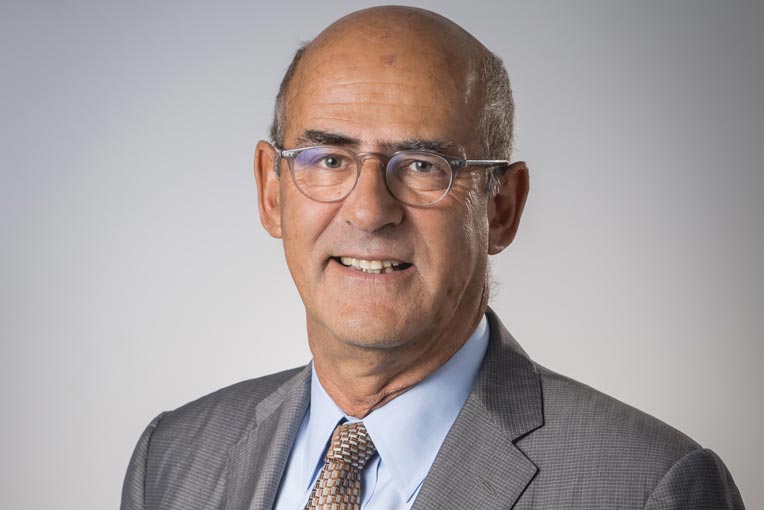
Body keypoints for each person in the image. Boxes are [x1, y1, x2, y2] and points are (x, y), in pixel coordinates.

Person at [121, 6, 744, 510]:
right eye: (330, 159)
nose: (369, 211)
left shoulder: (649, 488)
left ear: (502, 207)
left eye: (423, 165)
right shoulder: (171, 460)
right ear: (271, 190)